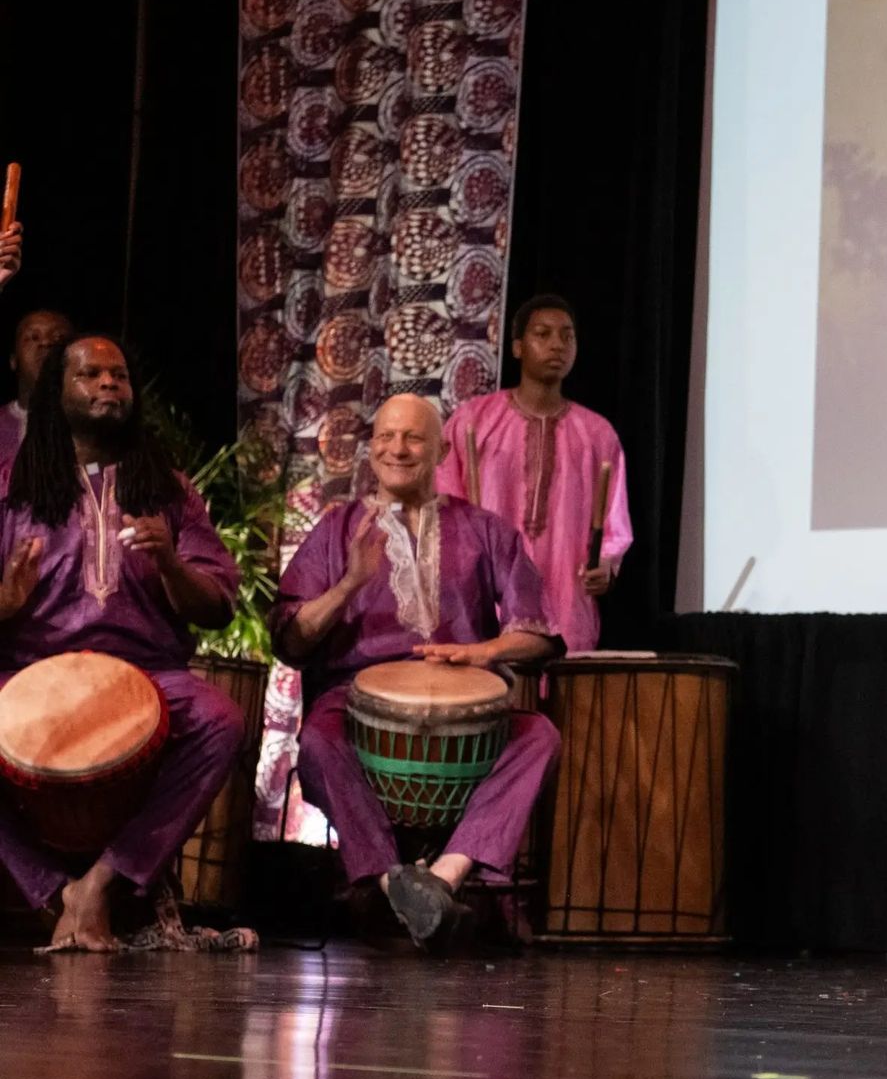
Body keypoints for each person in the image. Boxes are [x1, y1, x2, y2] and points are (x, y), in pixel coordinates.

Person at [272, 393, 562, 945]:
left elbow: (540, 635)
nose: (396, 449)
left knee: (539, 736)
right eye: (385, 436)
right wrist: (350, 584)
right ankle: (392, 879)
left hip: (469, 716)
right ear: (370, 446)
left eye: (412, 438)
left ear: (441, 449)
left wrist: (483, 652)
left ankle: (443, 876)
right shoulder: (339, 529)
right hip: (358, 706)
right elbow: (290, 639)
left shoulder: (485, 530)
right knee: (316, 741)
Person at [0, 334, 245, 952]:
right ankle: (56, 891)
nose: (109, 383)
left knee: (220, 719)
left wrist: (170, 563)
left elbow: (216, 605)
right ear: (57, 392)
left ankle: (104, 883)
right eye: (89, 374)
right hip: (33, 676)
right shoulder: (12, 489)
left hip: (147, 675)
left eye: (119, 374)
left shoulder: (168, 490)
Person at [438, 295, 632, 652]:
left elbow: (615, 525)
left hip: (567, 600)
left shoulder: (597, 435)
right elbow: (444, 506)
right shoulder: (473, 422)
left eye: (567, 336)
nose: (557, 344)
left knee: (564, 702)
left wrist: (605, 564)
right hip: (487, 599)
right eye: (543, 334)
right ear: (517, 346)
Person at [0, 310, 76, 467]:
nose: (46, 344)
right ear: (14, 360)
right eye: (33, 337)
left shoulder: (89, 425)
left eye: (59, 338)